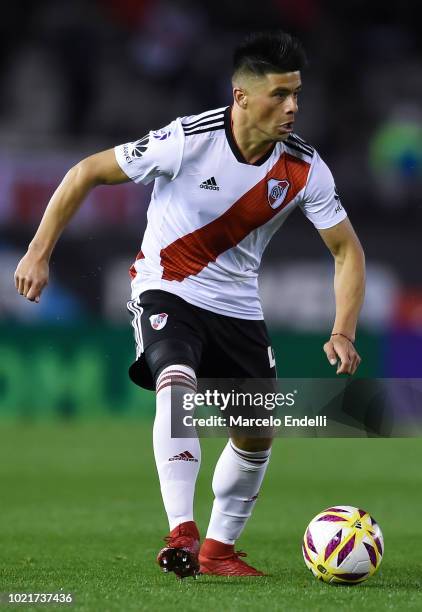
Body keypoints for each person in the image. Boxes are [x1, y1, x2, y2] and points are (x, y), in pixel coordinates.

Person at [14, 30, 365, 579]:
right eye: (280, 94)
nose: (293, 106)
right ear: (242, 96)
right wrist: (38, 254)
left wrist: (343, 330)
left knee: (256, 432)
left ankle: (219, 551)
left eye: (297, 93)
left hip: (239, 306)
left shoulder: (305, 168)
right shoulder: (185, 139)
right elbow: (84, 173)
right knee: (174, 380)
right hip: (167, 286)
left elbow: (347, 251)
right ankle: (182, 529)